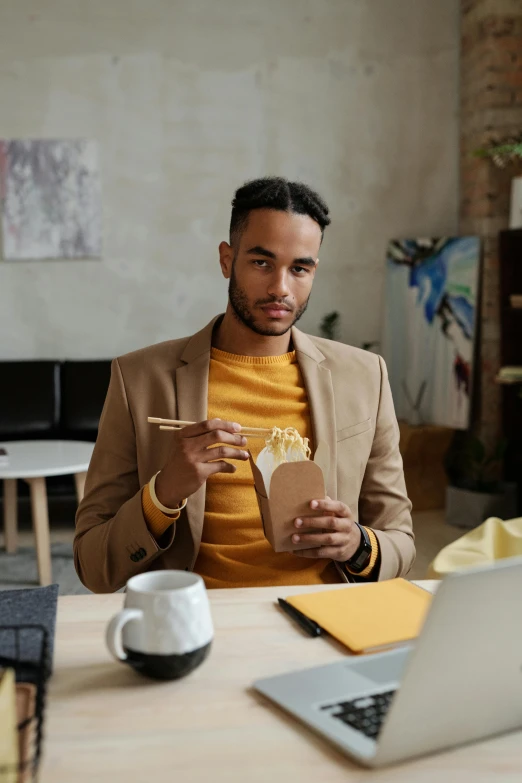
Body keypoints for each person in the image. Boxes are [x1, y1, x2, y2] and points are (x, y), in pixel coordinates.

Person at [74, 177, 414, 593]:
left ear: (313, 272)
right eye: (261, 262)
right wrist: (164, 493)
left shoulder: (365, 376)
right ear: (226, 259)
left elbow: (401, 542)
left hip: (324, 612)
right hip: (200, 618)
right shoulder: (139, 379)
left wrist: (357, 545)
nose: (280, 288)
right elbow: (92, 565)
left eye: (299, 268)